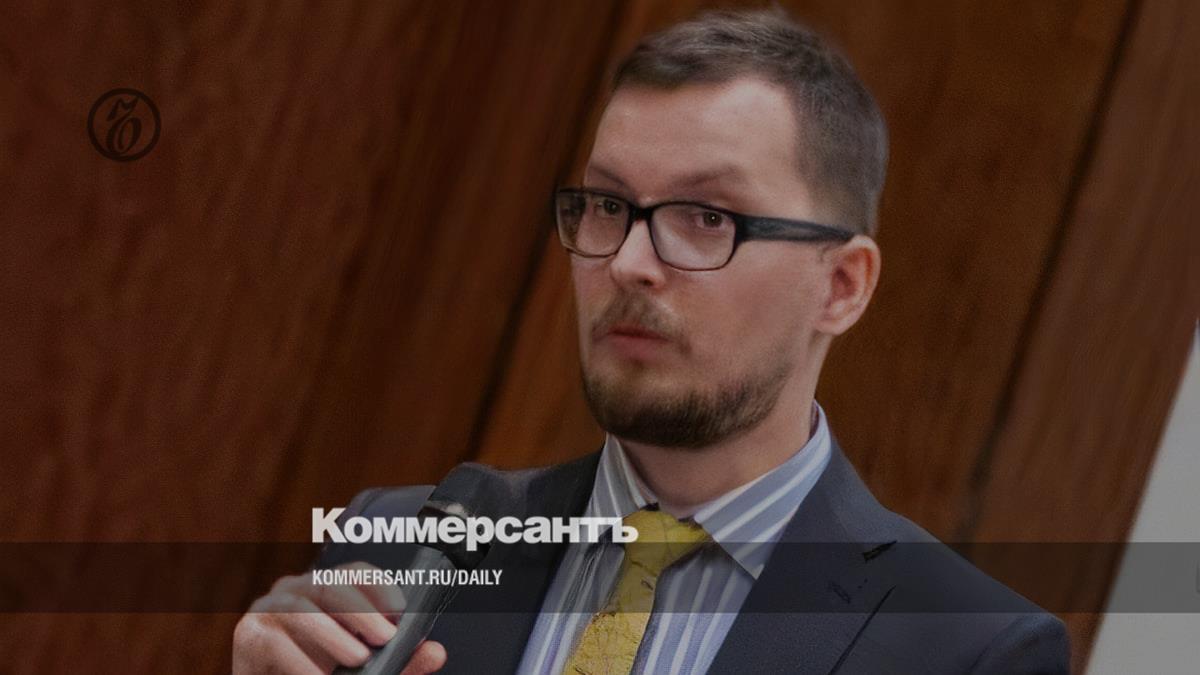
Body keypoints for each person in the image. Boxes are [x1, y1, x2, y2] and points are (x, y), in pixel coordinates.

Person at [234, 8, 1069, 674]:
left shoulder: (965, 648)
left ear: (842, 285)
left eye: (706, 217)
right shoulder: (402, 543)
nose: (630, 262)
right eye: (607, 206)